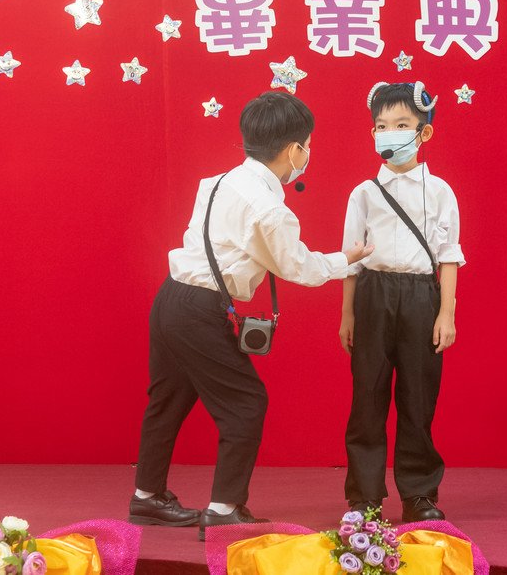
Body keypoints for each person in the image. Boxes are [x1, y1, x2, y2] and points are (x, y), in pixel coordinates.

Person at [130, 91, 373, 540]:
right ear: (294, 150)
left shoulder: (219, 180)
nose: (308, 154)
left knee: (167, 400)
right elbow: (298, 267)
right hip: (199, 309)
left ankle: (146, 497)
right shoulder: (269, 209)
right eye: (308, 146)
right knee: (246, 404)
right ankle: (223, 509)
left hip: (171, 299)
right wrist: (348, 260)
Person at [339, 81, 464, 523]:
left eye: (401, 124)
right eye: (381, 125)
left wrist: (446, 313)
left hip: (420, 296)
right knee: (367, 398)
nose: (389, 133)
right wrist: (347, 314)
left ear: (423, 132)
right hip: (373, 293)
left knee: (418, 397)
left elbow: (449, 256)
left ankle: (419, 494)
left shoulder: (440, 191)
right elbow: (352, 259)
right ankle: (364, 499)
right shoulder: (364, 193)